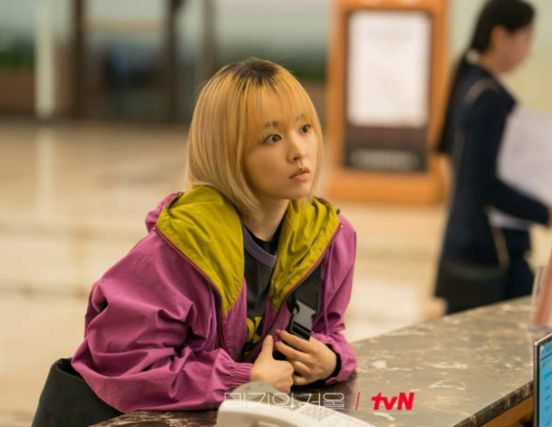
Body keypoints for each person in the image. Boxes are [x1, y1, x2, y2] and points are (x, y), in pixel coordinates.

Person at [67, 58, 357, 413]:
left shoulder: (329, 239)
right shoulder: (179, 250)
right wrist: (241, 381)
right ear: (226, 152)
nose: (298, 150)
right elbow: (121, 362)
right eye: (273, 137)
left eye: (305, 128)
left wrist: (331, 360)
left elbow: (329, 329)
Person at [434, 0, 552, 314]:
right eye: (526, 39)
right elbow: (483, 183)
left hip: (466, 243)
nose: (528, 52)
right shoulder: (488, 97)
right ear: (501, 36)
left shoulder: (468, 82)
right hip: (488, 252)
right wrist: (543, 212)